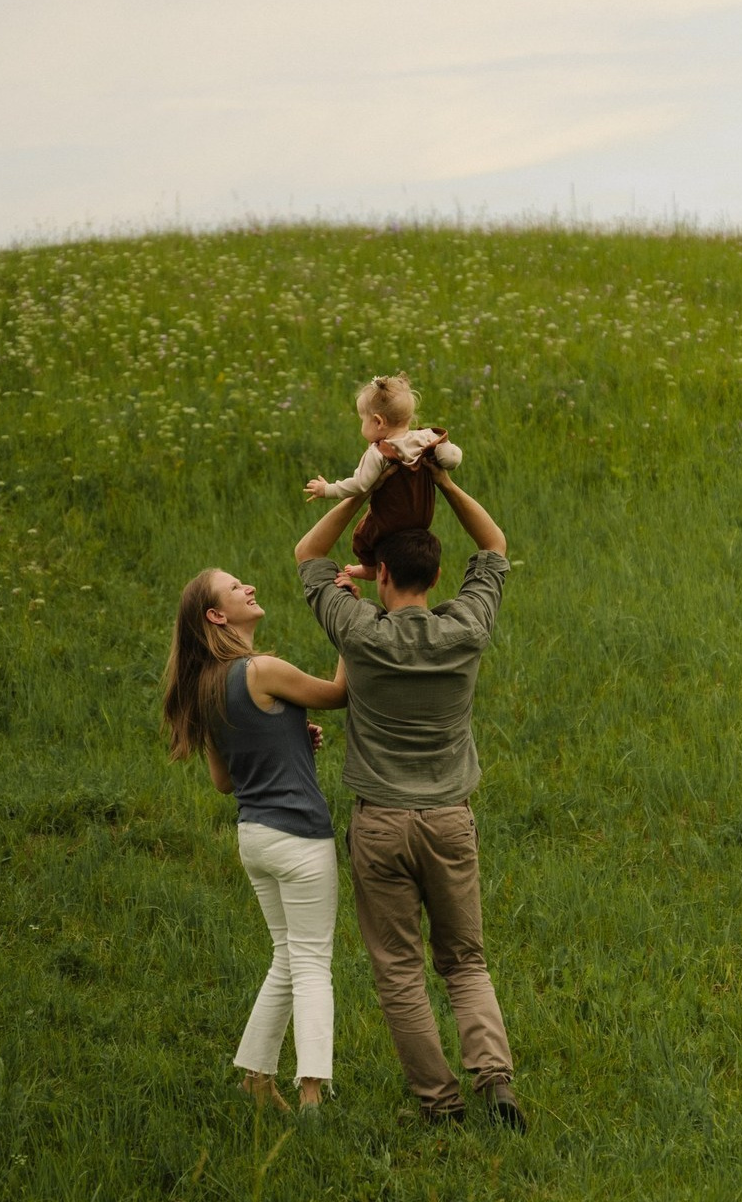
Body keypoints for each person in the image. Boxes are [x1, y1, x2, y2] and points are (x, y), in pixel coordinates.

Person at [293, 468, 526, 1130]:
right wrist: (443, 483)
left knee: (399, 969)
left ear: (383, 576)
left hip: (380, 827)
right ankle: (496, 1082)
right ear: (435, 576)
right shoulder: (467, 629)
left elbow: (309, 556)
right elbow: (496, 544)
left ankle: (440, 1104)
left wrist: (364, 486)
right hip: (451, 823)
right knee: (465, 962)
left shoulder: (360, 634)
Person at [160, 568, 347, 1117]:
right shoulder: (260, 669)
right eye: (235, 587)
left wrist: (287, 738)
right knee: (312, 962)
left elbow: (225, 782)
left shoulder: (207, 685)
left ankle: (255, 1077)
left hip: (255, 838)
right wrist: (347, 623)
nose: (249, 588)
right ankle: (312, 1092)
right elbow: (338, 694)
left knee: (285, 958)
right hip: (301, 838)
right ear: (217, 616)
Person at [304, 372, 462, 581]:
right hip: (422, 518)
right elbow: (452, 457)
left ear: (378, 422)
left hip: (391, 519)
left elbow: (360, 485)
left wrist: (327, 489)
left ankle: (370, 568)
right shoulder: (426, 438)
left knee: (362, 537)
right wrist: (444, 462)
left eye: (362, 420)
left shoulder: (379, 453)